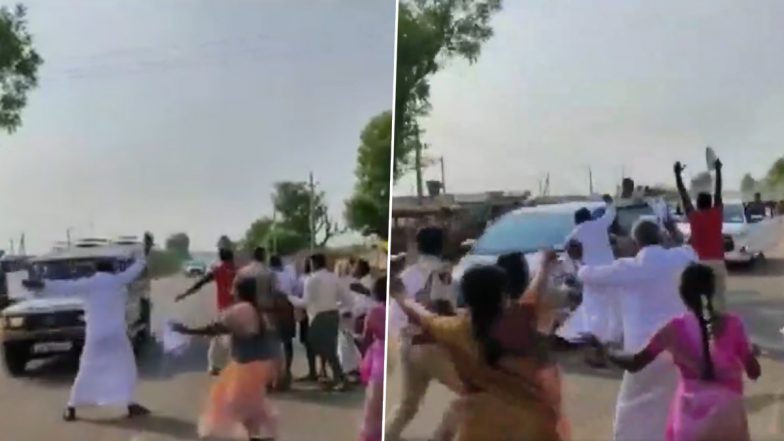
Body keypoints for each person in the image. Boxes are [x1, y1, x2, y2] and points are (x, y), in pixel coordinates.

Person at [390, 256, 565, 441]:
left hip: (480, 422)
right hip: (532, 423)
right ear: (503, 296)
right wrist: (545, 264)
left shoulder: (456, 329)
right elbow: (535, 292)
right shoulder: (519, 318)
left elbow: (423, 317)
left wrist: (401, 296)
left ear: (466, 298)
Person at [586, 264, 760, 441]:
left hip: (689, 423)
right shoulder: (733, 324)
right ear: (712, 292)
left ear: (683, 295)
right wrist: (748, 353)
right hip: (729, 418)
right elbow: (754, 372)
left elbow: (635, 363)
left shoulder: (673, 330)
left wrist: (609, 350)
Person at [578, 220, 697, 441]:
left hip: (643, 352)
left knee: (631, 410)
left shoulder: (628, 267)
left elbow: (587, 275)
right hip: (680, 349)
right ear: (661, 238)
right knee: (674, 404)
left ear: (636, 243)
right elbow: (690, 249)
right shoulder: (681, 258)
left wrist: (579, 262)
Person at [24, 234, 154, 421]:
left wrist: (41, 285)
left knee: (86, 370)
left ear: (95, 270)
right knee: (125, 368)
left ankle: (71, 408)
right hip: (116, 335)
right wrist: (145, 251)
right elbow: (138, 267)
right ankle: (129, 404)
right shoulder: (118, 280)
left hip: (96, 335)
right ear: (111, 269)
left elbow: (63, 286)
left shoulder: (88, 283)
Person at [173, 277, 280, 441]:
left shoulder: (241, 310)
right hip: (259, 364)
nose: (231, 292)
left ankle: (218, 435)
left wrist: (187, 331)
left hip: (246, 366)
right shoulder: (257, 310)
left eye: (233, 289)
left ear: (239, 291)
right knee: (250, 405)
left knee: (225, 402)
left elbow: (215, 328)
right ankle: (256, 436)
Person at [385, 226, 463, 441]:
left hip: (408, 345)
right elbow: (450, 311)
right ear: (442, 245)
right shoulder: (445, 274)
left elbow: (394, 316)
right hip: (433, 346)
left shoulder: (407, 275)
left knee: (407, 405)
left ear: (418, 246)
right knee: (471, 395)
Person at [558, 195, 622, 347]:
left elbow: (567, 250)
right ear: (589, 217)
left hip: (591, 274)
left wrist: (576, 268)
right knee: (612, 306)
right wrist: (609, 202)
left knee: (592, 307)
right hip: (609, 271)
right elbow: (611, 213)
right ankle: (611, 336)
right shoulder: (600, 224)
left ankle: (589, 334)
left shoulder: (574, 233)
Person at [287, 253, 353, 391]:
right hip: (333, 314)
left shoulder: (312, 280)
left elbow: (305, 302)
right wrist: (340, 309)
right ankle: (336, 377)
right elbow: (348, 299)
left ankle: (340, 378)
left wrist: (289, 297)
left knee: (321, 346)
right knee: (328, 348)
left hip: (319, 316)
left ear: (313, 264)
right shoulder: (333, 278)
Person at [675, 158, 727, 312]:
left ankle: (699, 327)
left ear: (697, 205)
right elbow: (718, 191)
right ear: (711, 203)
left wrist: (677, 175)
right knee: (719, 300)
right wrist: (718, 170)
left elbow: (683, 195)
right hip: (717, 262)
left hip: (698, 262)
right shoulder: (717, 214)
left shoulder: (694, 216)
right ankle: (719, 330)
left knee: (696, 301)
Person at [238, 247, 294, 390]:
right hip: (267, 314)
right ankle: (270, 381)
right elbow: (275, 293)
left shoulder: (242, 272)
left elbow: (236, 293)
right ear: (263, 257)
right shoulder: (269, 273)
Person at [177, 246, 237, 375]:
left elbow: (200, 283)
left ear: (220, 258)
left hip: (223, 310)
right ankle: (232, 367)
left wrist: (184, 294)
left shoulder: (217, 271)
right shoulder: (239, 271)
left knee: (217, 337)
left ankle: (213, 366)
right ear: (232, 257)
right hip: (238, 309)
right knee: (233, 339)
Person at [359, 276, 387, 441]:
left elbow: (366, 338)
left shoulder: (375, 312)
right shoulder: (396, 311)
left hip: (378, 359)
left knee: (373, 408)